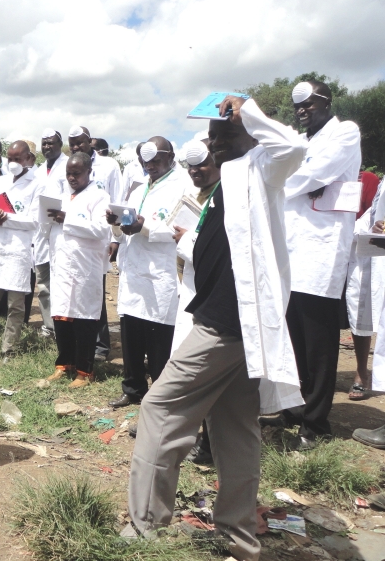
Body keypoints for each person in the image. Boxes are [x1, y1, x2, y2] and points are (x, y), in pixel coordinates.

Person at [127, 95, 306, 561]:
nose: (214, 142)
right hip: (232, 322)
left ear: (251, 131)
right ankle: (239, 537)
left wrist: (247, 109)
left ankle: (145, 527)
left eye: (225, 133)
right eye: (213, 134)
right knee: (235, 428)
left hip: (226, 325)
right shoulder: (231, 180)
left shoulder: (262, 167)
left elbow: (290, 146)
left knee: (159, 408)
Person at [261, 80, 362, 449]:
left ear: (326, 100)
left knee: (318, 344)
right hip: (291, 250)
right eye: (296, 104)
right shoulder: (301, 141)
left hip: (320, 253)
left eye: (308, 102)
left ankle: (316, 425)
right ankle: (292, 408)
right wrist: (299, 179)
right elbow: (300, 174)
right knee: (293, 339)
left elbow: (310, 174)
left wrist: (286, 181)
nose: (301, 108)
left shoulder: (345, 133)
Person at [109, 137, 188, 409]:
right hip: (133, 268)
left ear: (171, 155)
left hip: (160, 271)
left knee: (158, 335)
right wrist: (116, 225)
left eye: (156, 159)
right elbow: (125, 226)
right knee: (131, 329)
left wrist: (143, 227)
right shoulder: (139, 186)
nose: (150, 165)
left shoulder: (183, 185)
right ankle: (132, 388)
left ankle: (160, 393)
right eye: (146, 160)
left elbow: (179, 230)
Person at [170, 139, 222, 464]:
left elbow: (214, 250)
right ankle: (196, 435)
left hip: (209, 294)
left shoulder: (222, 197)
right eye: (190, 166)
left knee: (205, 370)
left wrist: (185, 239)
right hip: (191, 286)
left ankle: (210, 444)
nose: (194, 171)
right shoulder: (202, 197)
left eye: (201, 164)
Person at [45, 152, 110, 388]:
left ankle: (85, 371)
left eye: (77, 173)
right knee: (62, 316)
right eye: (68, 174)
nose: (72, 178)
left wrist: (67, 218)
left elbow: (102, 230)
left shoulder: (100, 196)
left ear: (88, 172)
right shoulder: (63, 197)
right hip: (61, 264)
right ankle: (64, 365)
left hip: (85, 266)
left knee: (84, 318)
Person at [0, 140, 40, 357]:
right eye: (10, 159)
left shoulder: (36, 183)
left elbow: (34, 221)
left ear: (28, 159)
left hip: (18, 251)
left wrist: (5, 218)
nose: (13, 163)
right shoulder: (1, 181)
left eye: (18, 159)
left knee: (16, 306)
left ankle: (9, 349)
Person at [68, 125, 120, 361]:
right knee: (76, 293)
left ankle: (101, 346)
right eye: (72, 143)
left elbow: (116, 201)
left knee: (95, 292)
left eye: (80, 142)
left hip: (98, 235)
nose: (76, 146)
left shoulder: (109, 166)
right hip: (72, 239)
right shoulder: (69, 165)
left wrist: (114, 237)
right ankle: (78, 345)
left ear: (90, 141)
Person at [345, 171, 382, 400]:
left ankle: (362, 373)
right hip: (335, 251)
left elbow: (375, 215)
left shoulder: (367, 180)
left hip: (363, 256)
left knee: (363, 312)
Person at [32, 129, 69, 339]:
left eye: (51, 143)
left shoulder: (68, 167)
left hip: (61, 230)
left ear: (60, 143)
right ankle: (48, 328)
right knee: (44, 285)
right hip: (41, 234)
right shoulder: (38, 170)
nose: (47, 147)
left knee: (62, 284)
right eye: (44, 143)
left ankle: (63, 329)